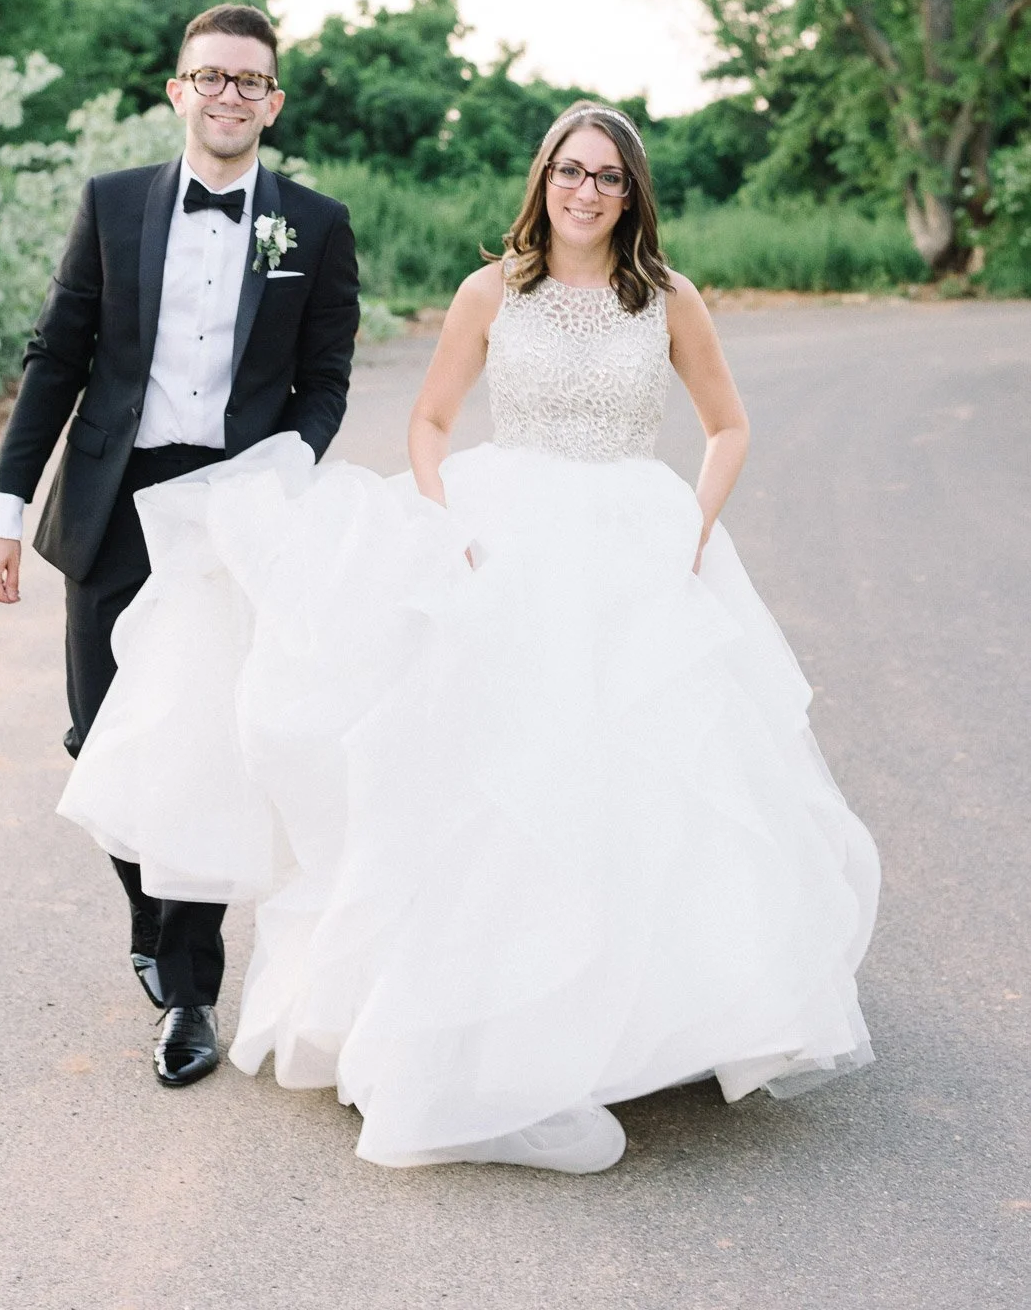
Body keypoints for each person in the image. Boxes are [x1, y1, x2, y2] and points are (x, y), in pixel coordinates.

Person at [58, 102, 880, 1171]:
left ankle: (644, 1015)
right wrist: (445, 521)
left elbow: (727, 426)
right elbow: (431, 421)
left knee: (644, 767)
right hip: (505, 535)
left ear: (632, 195)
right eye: (570, 172)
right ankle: (495, 1016)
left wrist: (694, 522)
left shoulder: (665, 299)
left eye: (608, 178)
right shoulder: (491, 291)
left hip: (635, 537)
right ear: (541, 179)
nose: (586, 192)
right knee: (492, 773)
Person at [0, 3, 360, 1088]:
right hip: (112, 504)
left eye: (250, 81)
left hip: (231, 513)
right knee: (99, 739)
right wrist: (3, 510)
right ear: (176, 89)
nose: (229, 95)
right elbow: (57, 360)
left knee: (201, 752)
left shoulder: (316, 227)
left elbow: (324, 381)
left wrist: (277, 478)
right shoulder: (112, 207)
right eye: (211, 77)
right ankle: (151, 912)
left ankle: (191, 995)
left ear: (272, 102)